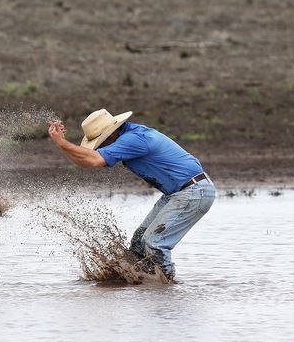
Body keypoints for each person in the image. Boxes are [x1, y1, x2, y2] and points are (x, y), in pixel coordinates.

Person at [48, 109, 215, 280]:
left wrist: (62, 143)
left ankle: (165, 287)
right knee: (138, 242)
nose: (99, 147)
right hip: (179, 193)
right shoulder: (127, 136)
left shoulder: (133, 139)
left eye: (100, 143)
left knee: (154, 243)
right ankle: (142, 281)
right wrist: (61, 144)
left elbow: (94, 159)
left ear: (111, 134)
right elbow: (86, 162)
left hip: (193, 192)